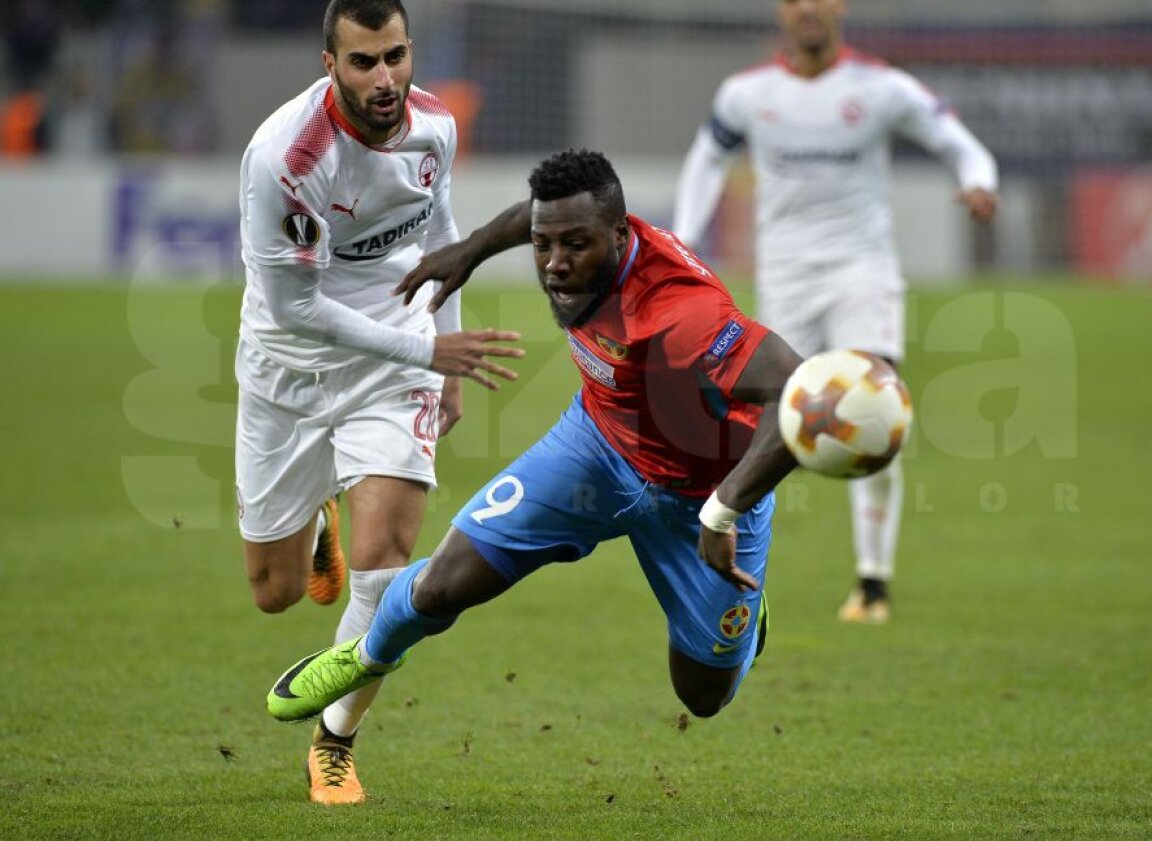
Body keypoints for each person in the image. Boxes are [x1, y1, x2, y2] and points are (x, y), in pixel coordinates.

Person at [264, 149, 805, 736]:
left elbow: (799, 395)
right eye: (544, 245)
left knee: (702, 695)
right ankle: (362, 657)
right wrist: (471, 250)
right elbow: (534, 216)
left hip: (703, 495)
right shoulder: (571, 230)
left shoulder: (684, 316)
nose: (554, 264)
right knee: (443, 584)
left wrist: (724, 513)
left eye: (575, 245)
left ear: (620, 235)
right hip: (596, 450)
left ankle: (745, 623)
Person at [236, 0, 523, 805]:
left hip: (395, 360)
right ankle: (316, 520)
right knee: (274, 590)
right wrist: (431, 350)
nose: (386, 77)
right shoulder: (287, 157)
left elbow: (444, 231)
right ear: (329, 64)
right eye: (364, 62)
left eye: (396, 55)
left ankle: (335, 739)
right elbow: (293, 309)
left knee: (386, 566)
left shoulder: (436, 126)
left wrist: (448, 360)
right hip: (290, 368)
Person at [673, 0, 998, 624]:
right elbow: (706, 160)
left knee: (876, 408)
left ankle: (873, 582)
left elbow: (959, 143)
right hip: (786, 281)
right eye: (796, 1)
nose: (809, 10)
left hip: (862, 274)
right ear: (781, 13)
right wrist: (685, 239)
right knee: (768, 430)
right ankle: (738, 566)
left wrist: (980, 180)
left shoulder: (881, 88)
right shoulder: (746, 94)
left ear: (839, 8)